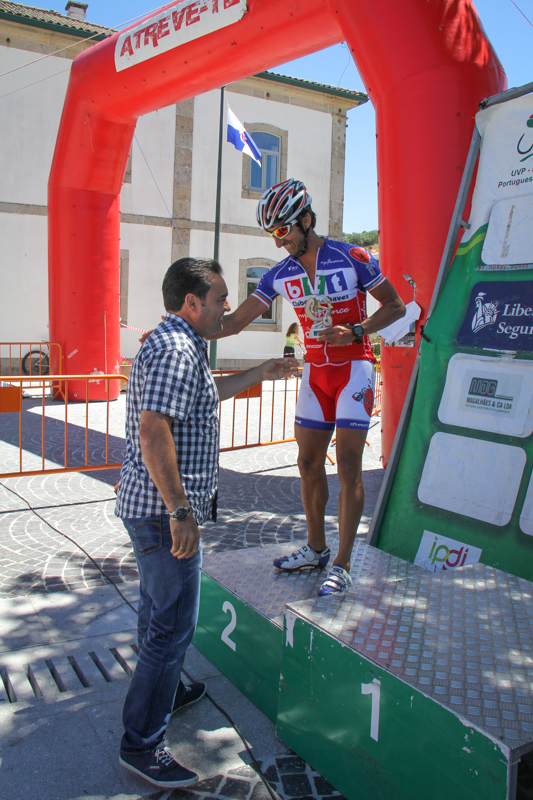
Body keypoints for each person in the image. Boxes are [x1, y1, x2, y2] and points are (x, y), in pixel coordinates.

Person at [115, 256, 298, 790]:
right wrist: (180, 511)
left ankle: (165, 692)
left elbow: (202, 398)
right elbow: (154, 432)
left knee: (157, 612)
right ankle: (141, 743)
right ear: (191, 303)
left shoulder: (181, 345)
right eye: (220, 298)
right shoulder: (175, 348)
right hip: (161, 512)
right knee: (172, 626)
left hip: (151, 508)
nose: (227, 309)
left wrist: (261, 372)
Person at [216, 178, 405, 597]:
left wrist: (357, 328)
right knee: (306, 463)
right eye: (272, 234)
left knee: (350, 465)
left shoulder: (351, 255)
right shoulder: (278, 274)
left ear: (305, 219)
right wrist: (181, 323)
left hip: (354, 368)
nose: (279, 241)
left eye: (284, 231)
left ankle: (342, 563)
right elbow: (232, 323)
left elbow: (395, 306)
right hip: (315, 375)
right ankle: (317, 548)